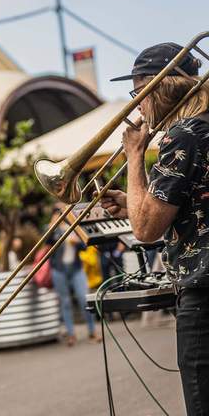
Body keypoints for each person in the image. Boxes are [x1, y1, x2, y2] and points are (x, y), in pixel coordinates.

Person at [101, 42, 209, 416]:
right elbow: (185, 205)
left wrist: (134, 156)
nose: (138, 105)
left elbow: (146, 228)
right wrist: (134, 198)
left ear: (157, 87)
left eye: (138, 93)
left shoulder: (183, 136)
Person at [48, 207, 100, 346]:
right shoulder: (52, 230)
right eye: (57, 215)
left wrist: (77, 241)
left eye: (61, 215)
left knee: (84, 299)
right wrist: (52, 227)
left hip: (76, 268)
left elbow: (84, 246)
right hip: (59, 270)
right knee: (65, 302)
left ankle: (92, 330)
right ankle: (71, 334)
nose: (59, 217)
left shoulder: (73, 228)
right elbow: (46, 243)